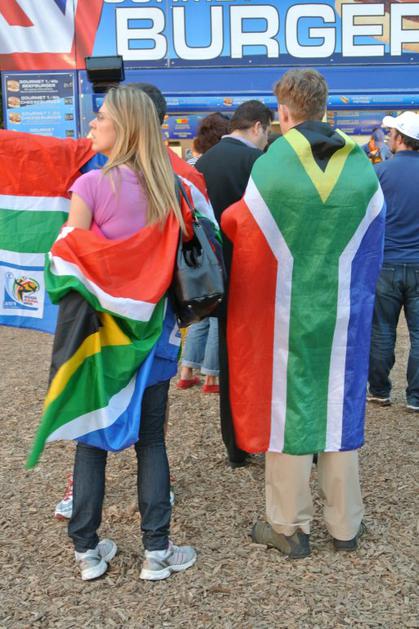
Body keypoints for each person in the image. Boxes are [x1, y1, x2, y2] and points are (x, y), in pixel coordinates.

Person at [221, 69, 385, 557]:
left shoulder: (272, 166)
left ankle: (289, 527)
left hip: (285, 310)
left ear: (284, 112)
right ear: (325, 107)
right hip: (344, 310)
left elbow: (243, 226)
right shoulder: (360, 166)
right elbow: (375, 235)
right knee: (339, 402)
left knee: (287, 407)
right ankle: (346, 526)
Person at [54, 82, 216, 520]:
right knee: (152, 439)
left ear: (124, 126)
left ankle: (85, 541)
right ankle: (157, 546)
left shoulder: (91, 184)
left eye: (101, 116)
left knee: (91, 439)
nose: (93, 123)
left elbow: (67, 263)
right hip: (156, 329)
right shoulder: (174, 185)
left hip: (101, 334)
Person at [195, 100, 273, 467]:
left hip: (213, 276)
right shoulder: (259, 163)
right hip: (253, 275)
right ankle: (265, 434)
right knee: (262, 360)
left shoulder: (203, 163)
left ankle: (235, 445)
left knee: (229, 363)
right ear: (257, 127)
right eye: (267, 132)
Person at [368, 111, 419, 412]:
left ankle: (379, 390)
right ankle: (416, 397)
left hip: (386, 262)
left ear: (401, 138)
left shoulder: (379, 173)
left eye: (391, 133)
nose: (387, 137)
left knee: (382, 330)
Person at [177, 112, 231, 394]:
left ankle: (186, 370)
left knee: (199, 306)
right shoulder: (221, 164)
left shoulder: (190, 165)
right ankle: (211, 376)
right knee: (216, 308)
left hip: (192, 243)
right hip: (215, 239)